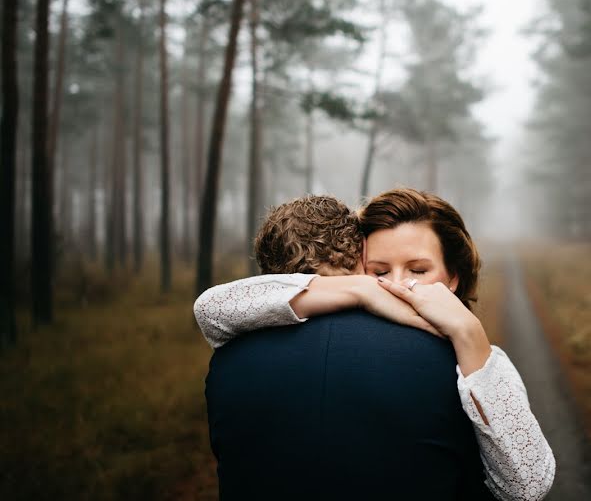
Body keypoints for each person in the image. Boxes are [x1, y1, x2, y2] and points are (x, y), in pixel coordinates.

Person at [196, 190, 555, 501]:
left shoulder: (478, 361)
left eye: (418, 270)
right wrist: (362, 290)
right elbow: (210, 308)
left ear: (453, 279)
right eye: (379, 272)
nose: (398, 286)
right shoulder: (417, 345)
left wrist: (468, 333)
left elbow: (527, 486)